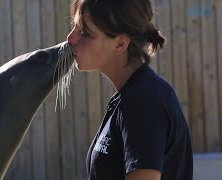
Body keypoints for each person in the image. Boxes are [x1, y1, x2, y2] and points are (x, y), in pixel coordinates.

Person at [66, 0, 193, 180]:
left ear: (120, 44)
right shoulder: (129, 96)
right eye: (74, 27)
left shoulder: (144, 101)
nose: (71, 38)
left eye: (85, 33)